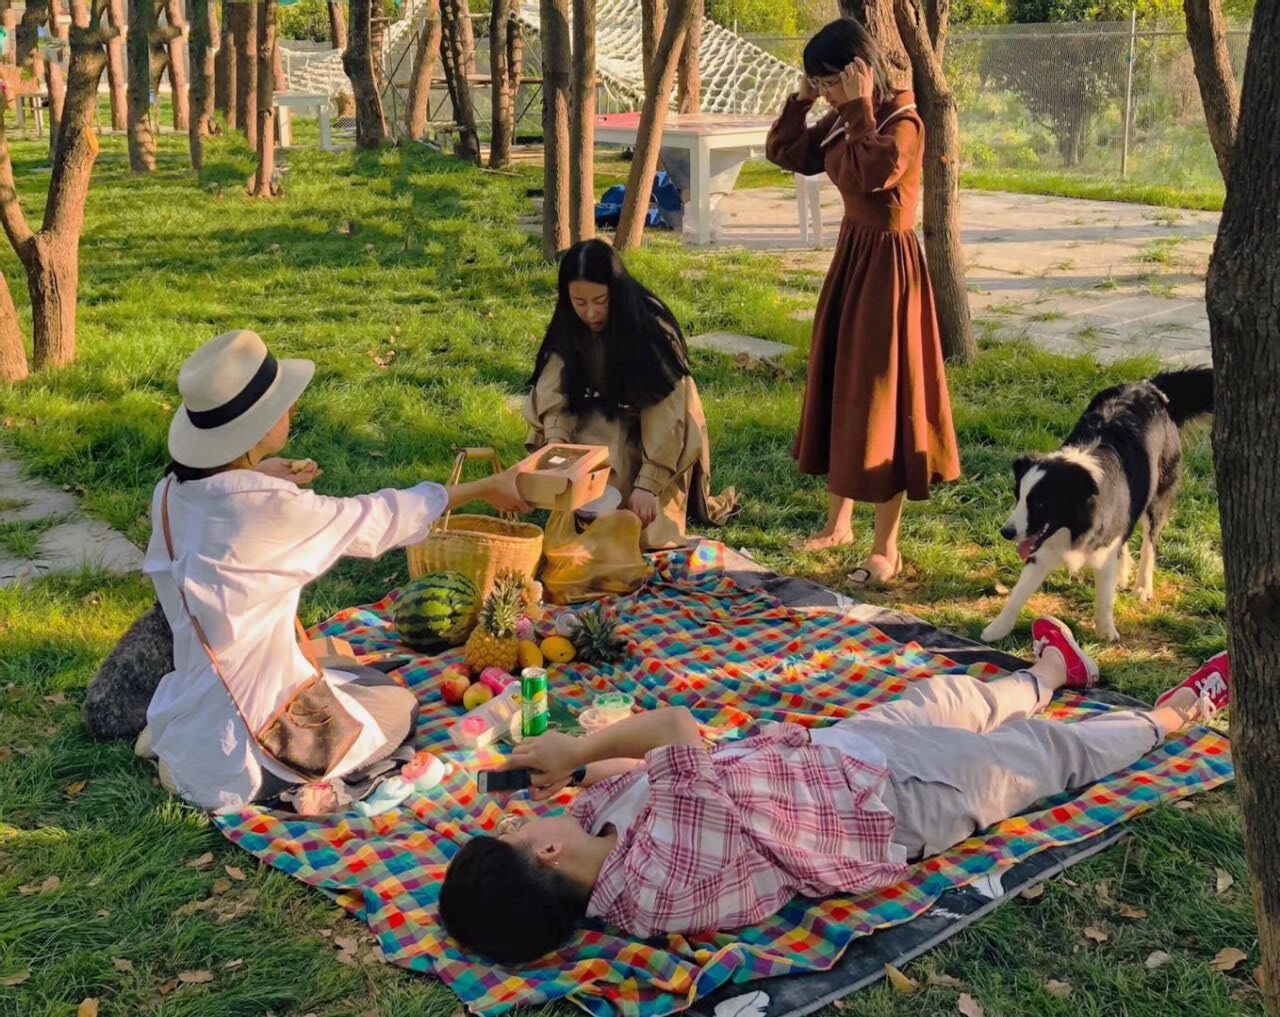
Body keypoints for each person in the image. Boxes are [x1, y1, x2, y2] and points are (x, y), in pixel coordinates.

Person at [439, 618, 1230, 963]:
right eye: (521, 829)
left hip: (826, 756)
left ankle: (1054, 671)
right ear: (543, 850)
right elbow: (678, 727)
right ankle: (1176, 714)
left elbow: (634, 778)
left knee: (950, 699)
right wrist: (580, 741)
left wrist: (578, 766)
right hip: (885, 802)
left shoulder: (590, 858)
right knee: (1040, 756)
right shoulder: (654, 885)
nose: (538, 813)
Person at [142, 329, 530, 812]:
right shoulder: (268, 508)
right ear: (259, 428)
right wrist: (485, 487)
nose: (292, 411)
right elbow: (376, 518)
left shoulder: (169, 495)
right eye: (282, 406)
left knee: (344, 674)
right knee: (395, 706)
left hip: (191, 716)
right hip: (246, 750)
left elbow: (222, 514)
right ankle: (260, 775)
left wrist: (258, 475)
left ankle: (175, 758)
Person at [765, 18, 962, 582]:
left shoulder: (904, 121)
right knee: (843, 392)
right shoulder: (850, 116)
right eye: (818, 83)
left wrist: (856, 109)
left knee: (883, 403)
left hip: (889, 277)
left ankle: (886, 546)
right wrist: (801, 102)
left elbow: (875, 170)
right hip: (853, 262)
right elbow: (788, 152)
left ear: (859, 71)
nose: (825, 91)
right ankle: (838, 524)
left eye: (830, 80)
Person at [525, 238, 738, 551]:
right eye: (580, 302)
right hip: (600, 417)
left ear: (616, 292)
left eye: (600, 300)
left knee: (634, 522)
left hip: (659, 431)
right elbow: (553, 390)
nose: (591, 312)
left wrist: (648, 485)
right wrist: (558, 450)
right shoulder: (569, 322)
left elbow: (665, 413)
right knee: (587, 502)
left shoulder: (650, 328)